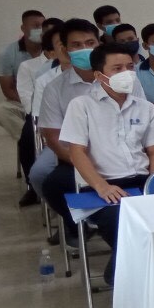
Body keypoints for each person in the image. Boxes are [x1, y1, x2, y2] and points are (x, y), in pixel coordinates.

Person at [49, 42, 154, 286]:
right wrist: (101, 186)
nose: (126, 73)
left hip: (141, 182)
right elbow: (77, 152)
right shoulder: (81, 106)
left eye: (129, 67)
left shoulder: (145, 107)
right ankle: (126, 277)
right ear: (99, 75)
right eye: (117, 69)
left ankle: (128, 273)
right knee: (124, 221)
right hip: (102, 187)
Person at [32, 19, 117, 247]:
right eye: (76, 45)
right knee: (53, 184)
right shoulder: (55, 88)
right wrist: (86, 164)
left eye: (90, 43)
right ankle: (78, 224)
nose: (84, 49)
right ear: (65, 49)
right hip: (76, 157)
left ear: (99, 44)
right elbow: (54, 138)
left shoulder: (120, 80)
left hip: (121, 155)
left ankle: (108, 226)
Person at [14, 18, 61, 205]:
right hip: (42, 117)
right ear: (50, 49)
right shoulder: (40, 72)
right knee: (27, 139)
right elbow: (28, 98)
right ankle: (31, 188)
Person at [0, 10, 44, 140]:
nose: (40, 29)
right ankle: (31, 139)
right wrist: (31, 104)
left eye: (43, 25)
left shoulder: (52, 49)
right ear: (23, 28)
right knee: (3, 110)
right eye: (36, 26)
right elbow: (8, 90)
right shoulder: (6, 53)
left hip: (50, 100)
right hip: (23, 101)